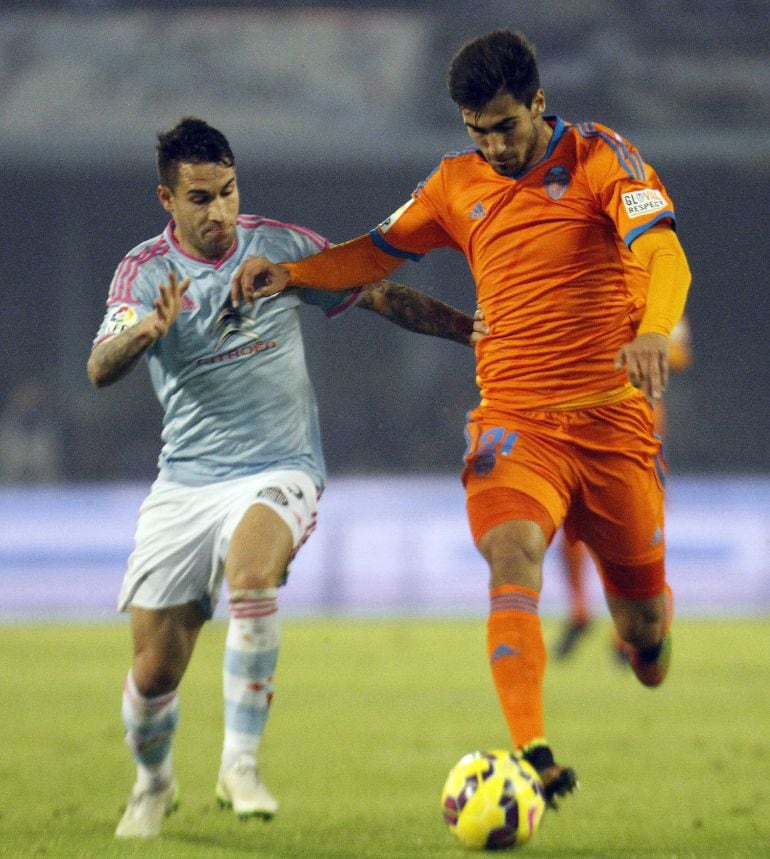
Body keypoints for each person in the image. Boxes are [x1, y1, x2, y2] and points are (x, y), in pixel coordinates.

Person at [229, 29, 692, 809]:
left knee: (644, 629)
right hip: (515, 422)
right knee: (511, 554)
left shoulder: (602, 158)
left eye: (505, 127)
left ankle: (643, 635)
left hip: (614, 425)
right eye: (476, 130)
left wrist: (654, 328)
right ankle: (532, 750)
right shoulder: (453, 183)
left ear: (539, 103)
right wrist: (295, 274)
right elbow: (375, 251)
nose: (493, 145)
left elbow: (662, 250)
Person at [87, 117, 483, 839]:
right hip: (185, 483)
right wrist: (144, 331)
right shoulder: (142, 273)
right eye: (201, 198)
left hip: (280, 465)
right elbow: (99, 366)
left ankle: (240, 760)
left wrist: (471, 331)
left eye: (229, 192)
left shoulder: (281, 245)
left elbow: (381, 293)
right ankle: (153, 781)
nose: (220, 212)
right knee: (153, 675)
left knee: (253, 575)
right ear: (167, 200)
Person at [552, 316, 694, 660]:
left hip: (635, 443)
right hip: (583, 435)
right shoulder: (580, 296)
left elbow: (678, 356)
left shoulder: (657, 298)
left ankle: (629, 636)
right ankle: (580, 611)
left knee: (633, 544)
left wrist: (639, 343)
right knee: (571, 536)